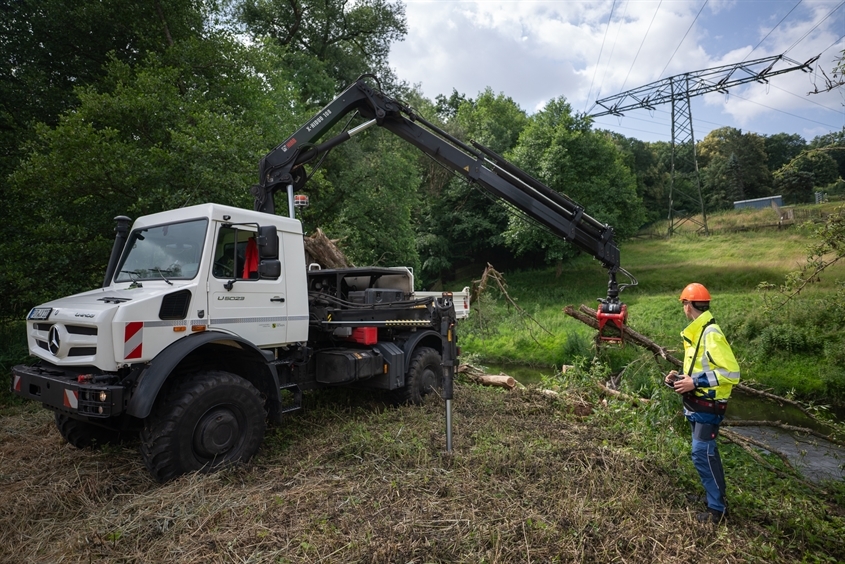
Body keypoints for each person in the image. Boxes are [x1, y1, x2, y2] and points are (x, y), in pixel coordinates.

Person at [664, 282, 740, 524]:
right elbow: (698, 371)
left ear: (688, 305)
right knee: (708, 454)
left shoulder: (710, 333)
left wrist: (694, 382)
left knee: (701, 453)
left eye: (684, 303)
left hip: (709, 407)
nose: (683, 308)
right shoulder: (698, 332)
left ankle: (717, 511)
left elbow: (732, 373)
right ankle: (714, 500)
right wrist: (677, 380)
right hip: (698, 407)